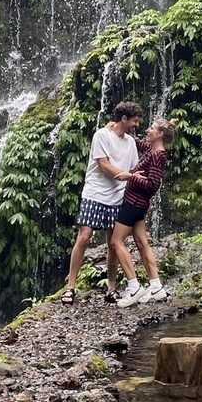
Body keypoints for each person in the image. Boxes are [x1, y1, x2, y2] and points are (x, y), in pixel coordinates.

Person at [62, 100, 142, 305]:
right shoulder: (101, 135)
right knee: (84, 236)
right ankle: (70, 287)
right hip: (95, 193)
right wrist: (126, 175)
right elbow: (104, 165)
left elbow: (134, 168)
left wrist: (134, 179)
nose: (137, 125)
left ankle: (112, 288)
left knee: (112, 243)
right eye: (134, 121)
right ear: (123, 119)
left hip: (118, 196)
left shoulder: (131, 142)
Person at [111, 116, 175, 307]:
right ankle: (156, 287)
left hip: (134, 203)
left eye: (152, 128)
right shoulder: (152, 150)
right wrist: (118, 128)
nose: (147, 130)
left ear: (160, 134)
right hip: (139, 204)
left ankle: (134, 287)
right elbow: (139, 143)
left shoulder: (158, 155)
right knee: (141, 243)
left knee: (116, 241)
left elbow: (152, 186)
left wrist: (129, 176)